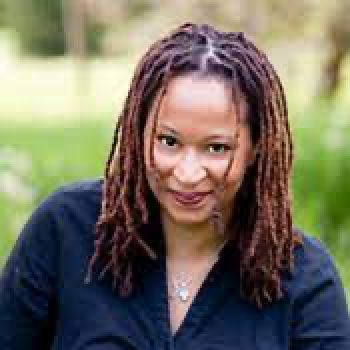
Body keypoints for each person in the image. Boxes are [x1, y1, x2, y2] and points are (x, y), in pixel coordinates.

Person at [0, 22, 349, 350]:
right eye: (168, 141)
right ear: (139, 133)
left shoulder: (305, 281)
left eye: (217, 148)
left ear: (256, 150)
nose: (187, 172)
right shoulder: (65, 230)